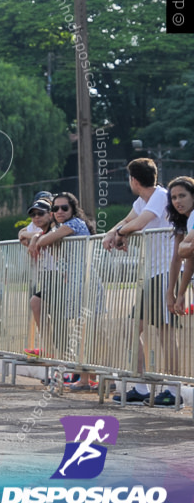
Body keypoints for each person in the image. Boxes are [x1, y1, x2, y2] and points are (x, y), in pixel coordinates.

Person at [103, 158, 179, 406]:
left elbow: (139, 223)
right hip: (153, 274)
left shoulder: (160, 195)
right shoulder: (142, 200)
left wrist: (120, 233)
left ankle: (172, 390)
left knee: (166, 333)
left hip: (167, 272)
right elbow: (127, 220)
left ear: (133, 180)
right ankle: (141, 387)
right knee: (131, 328)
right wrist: (112, 232)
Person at [29, 192, 94, 390]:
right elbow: (41, 237)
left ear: (73, 209)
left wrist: (35, 239)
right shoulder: (61, 228)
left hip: (85, 283)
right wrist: (35, 237)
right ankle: (82, 375)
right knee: (81, 331)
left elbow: (43, 241)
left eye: (64, 208)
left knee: (89, 332)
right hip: (73, 283)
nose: (59, 212)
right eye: (55, 208)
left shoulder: (73, 224)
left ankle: (96, 378)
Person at [19, 198, 54, 355]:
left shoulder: (56, 228)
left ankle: (61, 353)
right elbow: (20, 234)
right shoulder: (40, 229)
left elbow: (49, 235)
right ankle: (49, 348)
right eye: (33, 215)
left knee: (59, 317)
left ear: (50, 214)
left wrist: (34, 237)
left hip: (61, 275)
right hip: (47, 275)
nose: (36, 217)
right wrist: (34, 236)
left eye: (40, 213)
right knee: (36, 302)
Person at [166, 176, 194, 317]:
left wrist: (183, 247)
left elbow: (186, 253)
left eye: (182, 196)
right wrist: (174, 292)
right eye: (174, 197)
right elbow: (180, 257)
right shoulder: (186, 221)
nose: (177, 201)